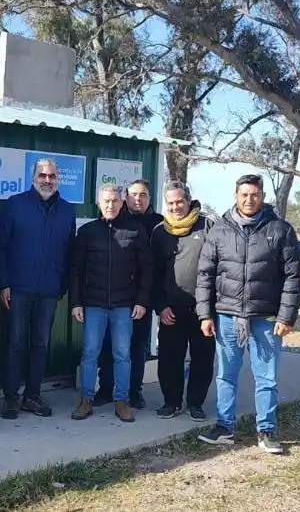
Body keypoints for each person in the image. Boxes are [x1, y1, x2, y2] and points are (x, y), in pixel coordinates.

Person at [195, 174, 300, 454]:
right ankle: (224, 427)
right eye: (244, 194)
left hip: (266, 319)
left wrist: (286, 317)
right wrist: (205, 314)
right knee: (226, 375)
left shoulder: (280, 230)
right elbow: (205, 274)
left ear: (262, 196)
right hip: (227, 316)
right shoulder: (219, 230)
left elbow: (293, 277)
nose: (249, 199)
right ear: (235, 196)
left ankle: (266, 430)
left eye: (254, 194)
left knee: (266, 378)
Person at [0, 158, 77, 419]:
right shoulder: (15, 204)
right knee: (16, 342)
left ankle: (32, 396)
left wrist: (62, 285)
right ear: (33, 178)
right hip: (18, 288)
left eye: (52, 176)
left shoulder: (67, 210)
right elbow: (1, 247)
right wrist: (4, 283)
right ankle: (10, 396)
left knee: (40, 344)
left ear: (57, 180)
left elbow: (69, 252)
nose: (47, 180)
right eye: (42, 175)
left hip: (50, 290)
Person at [69, 183, 153, 423]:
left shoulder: (136, 231)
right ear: (98, 203)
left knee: (122, 354)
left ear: (122, 202)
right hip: (93, 305)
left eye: (115, 201)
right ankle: (86, 400)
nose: (110, 205)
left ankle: (121, 401)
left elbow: (146, 270)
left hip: (124, 306)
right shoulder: (87, 232)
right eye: (106, 201)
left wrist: (141, 301)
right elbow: (75, 269)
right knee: (89, 354)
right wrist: (76, 302)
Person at [150, 180, 216, 421]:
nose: (176, 206)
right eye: (171, 203)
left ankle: (195, 404)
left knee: (202, 358)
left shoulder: (208, 225)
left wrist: (209, 309)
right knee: (169, 358)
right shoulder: (159, 232)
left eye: (180, 201)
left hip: (203, 310)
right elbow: (153, 274)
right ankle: (171, 402)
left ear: (189, 200)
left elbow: (220, 267)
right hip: (171, 309)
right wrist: (160, 306)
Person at [94, 179, 162, 409]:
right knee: (109, 345)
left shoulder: (158, 224)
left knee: (137, 346)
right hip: (116, 297)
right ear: (126, 198)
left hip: (143, 297)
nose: (137, 199)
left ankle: (134, 391)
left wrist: (146, 298)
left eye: (142, 195)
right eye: (133, 195)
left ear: (149, 199)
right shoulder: (116, 222)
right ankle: (106, 388)